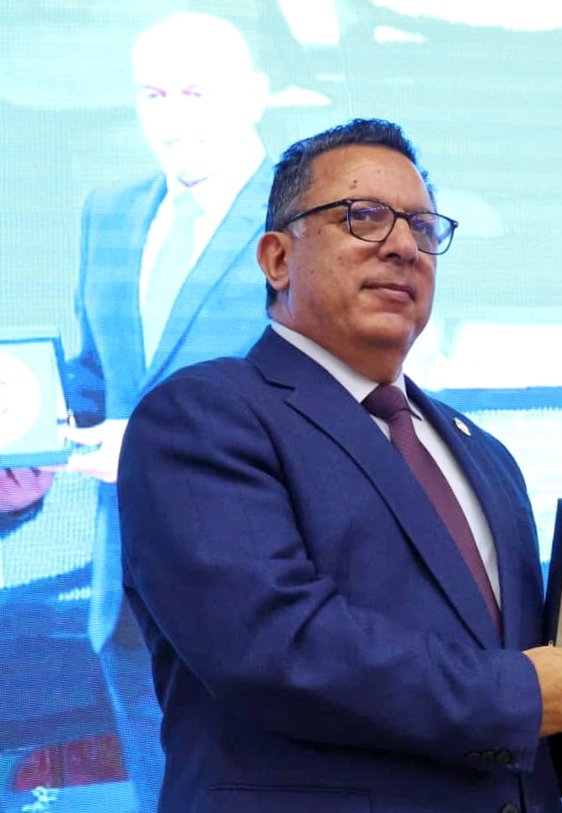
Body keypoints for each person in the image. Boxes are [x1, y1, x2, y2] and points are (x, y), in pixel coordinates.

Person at [116, 118, 562, 813]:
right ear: (277, 259)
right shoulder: (203, 415)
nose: (403, 246)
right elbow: (274, 646)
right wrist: (521, 693)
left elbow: (510, 709)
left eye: (424, 229)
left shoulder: (483, 454)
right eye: (363, 216)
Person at [0, 13, 273, 811]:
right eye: (153, 94)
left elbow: (335, 411)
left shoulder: (310, 223)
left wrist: (152, 449)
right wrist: (30, 449)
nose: (173, 117)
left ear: (255, 95)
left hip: (263, 605)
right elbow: (98, 380)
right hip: (127, 608)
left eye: (196, 92)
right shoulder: (111, 213)